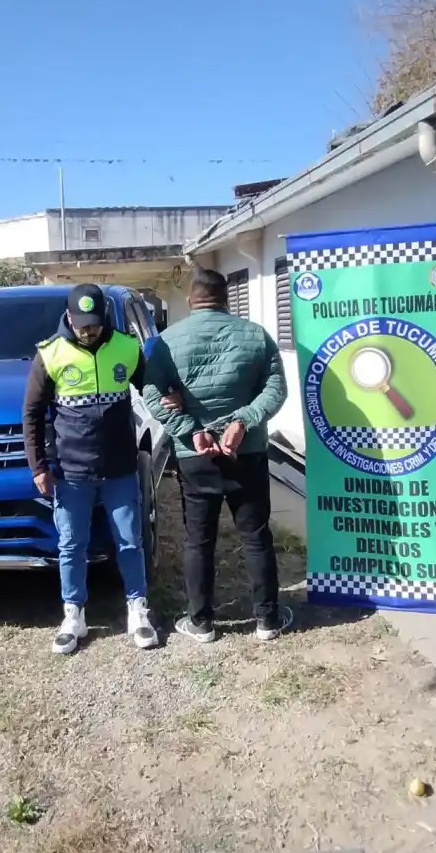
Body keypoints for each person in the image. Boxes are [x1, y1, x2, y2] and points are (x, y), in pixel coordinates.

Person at [142, 267, 290, 644]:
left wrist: (192, 429)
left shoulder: (164, 342)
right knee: (256, 536)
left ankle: (201, 622)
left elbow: (152, 398)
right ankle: (268, 621)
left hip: (195, 455)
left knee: (199, 539)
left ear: (191, 299)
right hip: (248, 451)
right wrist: (243, 420)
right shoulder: (257, 336)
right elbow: (276, 390)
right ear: (226, 298)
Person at [23, 283, 158, 654]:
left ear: (105, 318)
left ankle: (138, 609)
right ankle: (73, 615)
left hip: (119, 467)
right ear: (68, 317)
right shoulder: (50, 354)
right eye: (81, 324)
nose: (88, 330)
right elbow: (32, 415)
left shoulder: (128, 348)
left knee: (130, 541)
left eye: (94, 324)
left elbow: (153, 393)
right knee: (71, 544)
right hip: (71, 471)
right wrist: (39, 466)